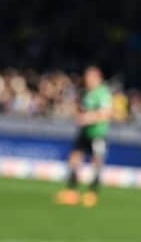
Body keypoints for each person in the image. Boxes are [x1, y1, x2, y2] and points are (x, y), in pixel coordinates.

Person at [55, 65, 112, 207]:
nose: (87, 80)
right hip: (85, 132)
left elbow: (106, 113)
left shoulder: (102, 92)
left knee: (96, 162)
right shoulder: (87, 92)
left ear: (97, 77)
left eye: (89, 77)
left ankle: (92, 193)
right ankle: (71, 192)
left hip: (97, 133)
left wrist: (88, 117)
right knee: (74, 158)